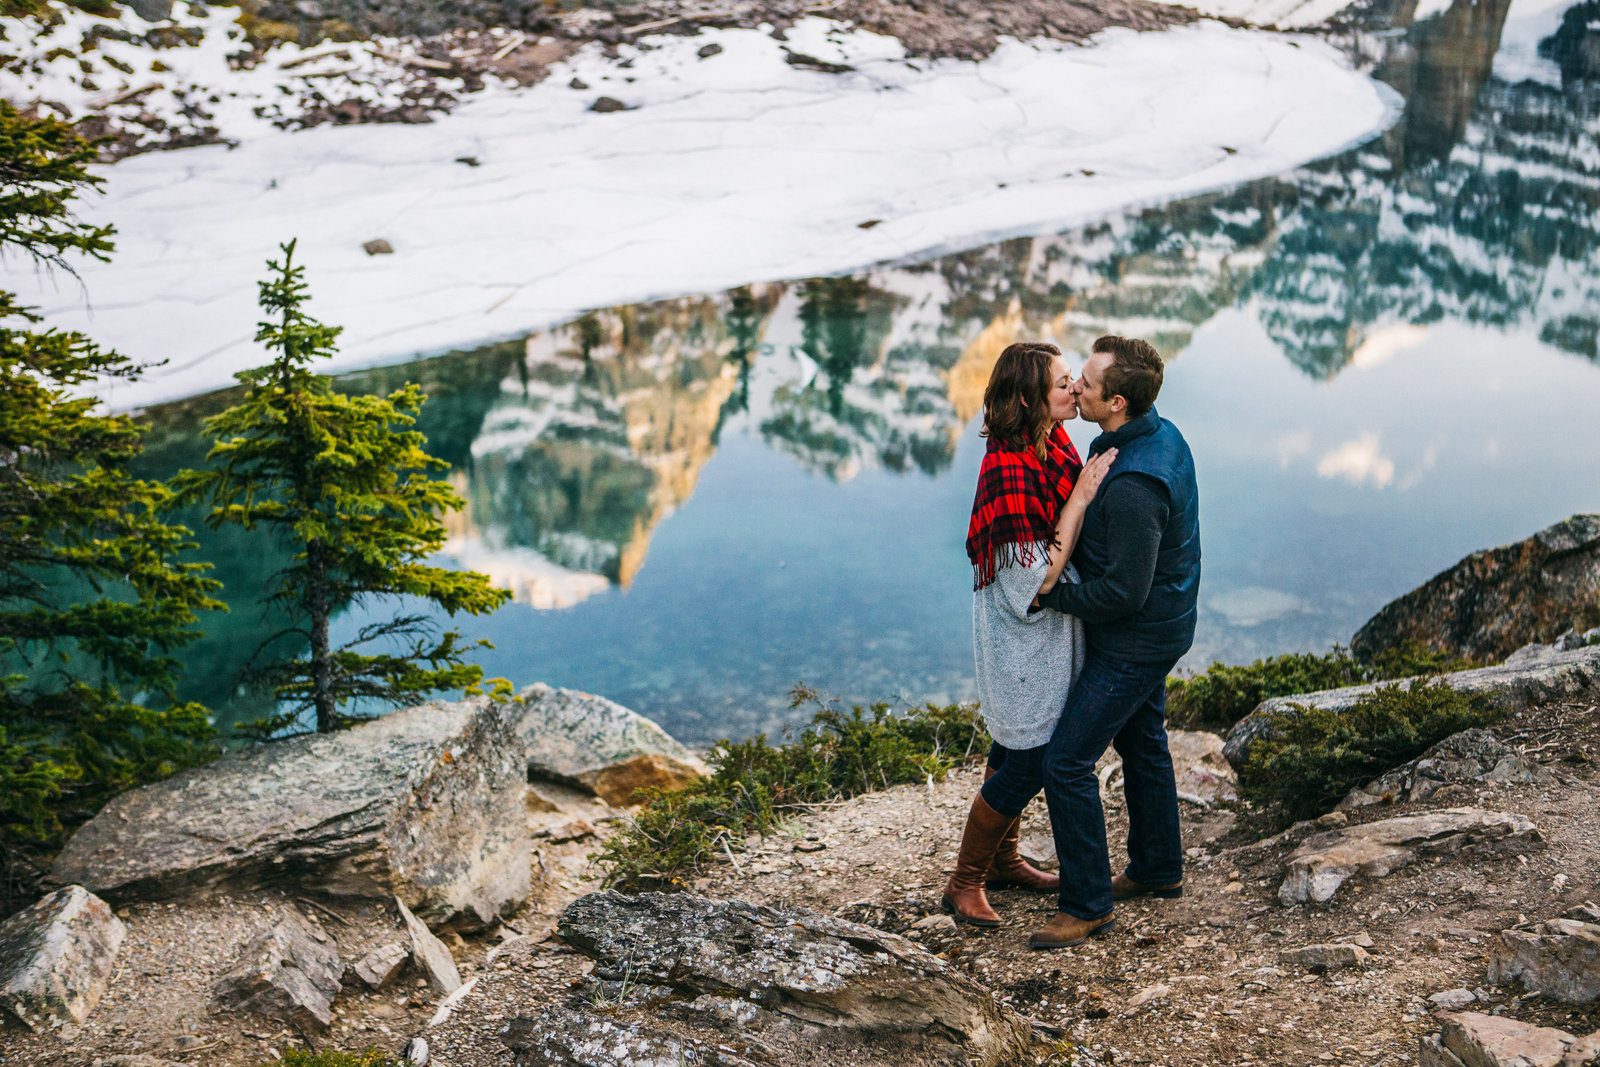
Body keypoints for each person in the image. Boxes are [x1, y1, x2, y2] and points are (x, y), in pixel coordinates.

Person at [1026, 334, 1201, 950]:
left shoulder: (1132, 484)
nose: (1076, 390)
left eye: (1089, 385)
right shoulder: (1156, 433)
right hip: (1165, 625)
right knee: (1144, 740)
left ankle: (1087, 903)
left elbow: (1124, 593)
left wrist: (1052, 596)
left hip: (1135, 638)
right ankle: (1158, 868)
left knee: (1066, 762)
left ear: (1118, 401)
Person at [943, 341, 1118, 928]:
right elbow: (1031, 582)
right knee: (1029, 758)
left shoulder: (1048, 441)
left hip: (1044, 637)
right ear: (1028, 398)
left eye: (1074, 379)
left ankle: (1004, 861)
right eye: (1064, 383)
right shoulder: (1008, 467)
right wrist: (1081, 501)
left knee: (1010, 747)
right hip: (1022, 640)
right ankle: (964, 881)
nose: (1075, 391)